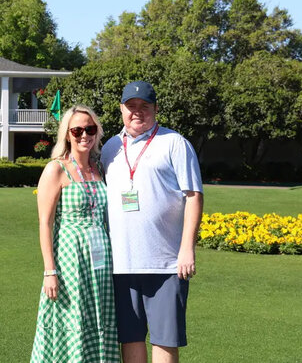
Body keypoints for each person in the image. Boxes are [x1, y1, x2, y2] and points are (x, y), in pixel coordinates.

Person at [100, 81, 203, 363]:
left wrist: (187, 249)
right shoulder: (110, 148)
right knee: (130, 337)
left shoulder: (175, 143)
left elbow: (194, 196)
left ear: (156, 108)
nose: (137, 112)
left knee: (165, 340)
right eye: (131, 106)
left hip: (165, 264)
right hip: (121, 264)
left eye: (144, 106)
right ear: (121, 109)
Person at [31, 105, 120, 363]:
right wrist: (49, 271)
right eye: (77, 130)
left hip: (101, 263)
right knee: (72, 319)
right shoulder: (56, 169)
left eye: (90, 129)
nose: (84, 135)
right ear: (67, 135)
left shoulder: (99, 168)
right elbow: (45, 223)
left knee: (100, 318)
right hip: (70, 262)